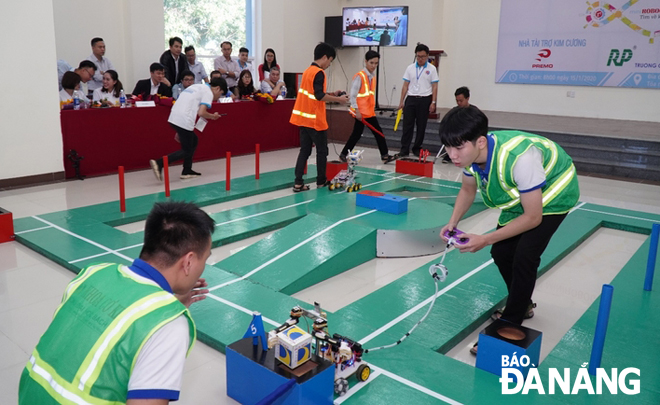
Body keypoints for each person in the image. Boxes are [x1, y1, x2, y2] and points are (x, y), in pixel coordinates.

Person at [18, 201, 215, 404]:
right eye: (205, 259)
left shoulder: (93, 273)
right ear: (189, 261)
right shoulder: (169, 325)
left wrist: (166, 305)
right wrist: (167, 315)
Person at [437, 106, 580, 354]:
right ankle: (523, 303)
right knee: (502, 253)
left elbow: (533, 217)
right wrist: (453, 222)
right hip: (523, 198)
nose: (452, 155)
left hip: (553, 195)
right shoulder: (470, 157)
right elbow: (467, 190)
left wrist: (484, 238)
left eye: (458, 148)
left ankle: (511, 323)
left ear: (480, 141)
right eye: (448, 148)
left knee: (525, 255)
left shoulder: (520, 159)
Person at [290, 42, 349, 192]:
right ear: (324, 57)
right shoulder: (319, 73)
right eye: (330, 61)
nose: (329, 64)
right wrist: (339, 100)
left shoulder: (308, 71)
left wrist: (333, 93)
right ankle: (321, 182)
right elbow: (319, 96)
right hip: (315, 120)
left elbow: (315, 92)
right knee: (322, 151)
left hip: (304, 119)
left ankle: (298, 183)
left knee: (304, 150)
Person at [149, 78, 227, 180]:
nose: (218, 97)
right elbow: (202, 113)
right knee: (187, 150)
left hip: (174, 117)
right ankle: (159, 163)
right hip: (184, 119)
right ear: (217, 88)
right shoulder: (208, 92)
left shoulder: (196, 86)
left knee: (193, 140)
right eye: (220, 94)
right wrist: (213, 116)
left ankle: (187, 170)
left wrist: (179, 129)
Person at [340, 50, 397, 164]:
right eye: (371, 63)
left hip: (368, 112)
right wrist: (357, 111)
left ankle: (343, 154)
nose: (374, 66)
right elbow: (353, 96)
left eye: (376, 63)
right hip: (362, 112)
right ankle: (385, 155)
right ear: (365, 61)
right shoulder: (360, 76)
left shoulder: (372, 76)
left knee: (357, 134)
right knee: (378, 133)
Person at [397, 43, 438, 157]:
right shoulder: (410, 68)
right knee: (407, 125)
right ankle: (404, 149)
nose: (420, 59)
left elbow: (434, 86)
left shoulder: (432, 69)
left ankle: (416, 148)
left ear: (427, 56)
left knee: (421, 125)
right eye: (418, 56)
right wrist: (401, 101)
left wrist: (433, 102)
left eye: (423, 57)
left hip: (425, 99)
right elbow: (405, 85)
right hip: (411, 99)